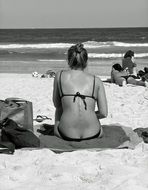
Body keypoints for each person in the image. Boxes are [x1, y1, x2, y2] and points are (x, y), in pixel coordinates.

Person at [52, 43, 108, 141]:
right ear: (86, 61)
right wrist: (90, 113)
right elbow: (103, 113)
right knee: (94, 118)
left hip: (66, 134)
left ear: (69, 60)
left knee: (60, 108)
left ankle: (61, 127)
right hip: (94, 133)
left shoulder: (59, 75)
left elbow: (57, 104)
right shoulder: (96, 80)